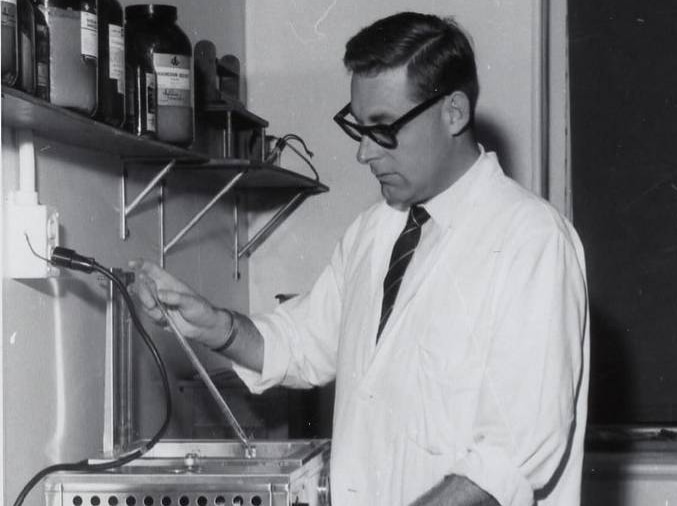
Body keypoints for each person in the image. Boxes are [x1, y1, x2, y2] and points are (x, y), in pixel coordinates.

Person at [131, 11, 589, 506]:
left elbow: (507, 460)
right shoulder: (375, 231)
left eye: (383, 128)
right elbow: (303, 344)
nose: (364, 154)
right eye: (358, 128)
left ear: (454, 112)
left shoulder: (532, 241)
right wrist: (214, 324)